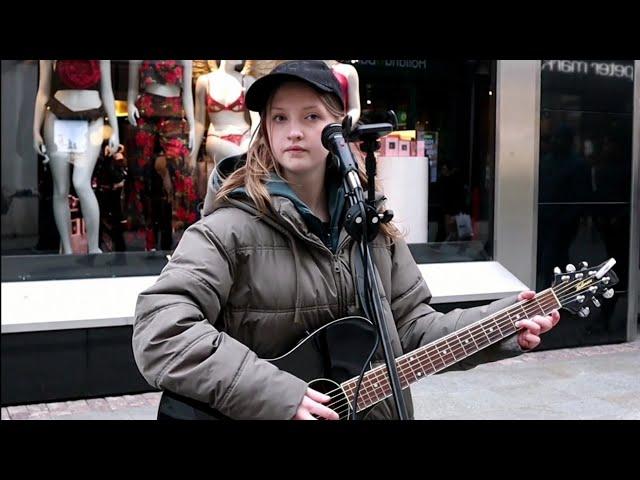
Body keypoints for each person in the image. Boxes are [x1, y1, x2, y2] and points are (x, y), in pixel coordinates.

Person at [132, 60, 560, 420]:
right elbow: (162, 331)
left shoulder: (373, 229)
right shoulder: (228, 228)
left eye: (311, 117)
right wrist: (278, 394)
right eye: (279, 118)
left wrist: (502, 323)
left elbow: (411, 330)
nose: (293, 131)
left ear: (339, 129)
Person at [33, 60, 120, 254]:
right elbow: (43, 91)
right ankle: (67, 249)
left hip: (93, 117)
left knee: (81, 182)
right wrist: (35, 131)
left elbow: (107, 90)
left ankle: (94, 247)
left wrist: (114, 128)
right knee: (61, 189)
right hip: (58, 115)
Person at [127, 60, 196, 249]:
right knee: (141, 175)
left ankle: (185, 237)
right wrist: (129, 105)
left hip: (174, 112)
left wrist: (192, 126)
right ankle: (144, 240)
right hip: (144, 111)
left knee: (181, 172)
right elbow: (133, 89)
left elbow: (187, 93)